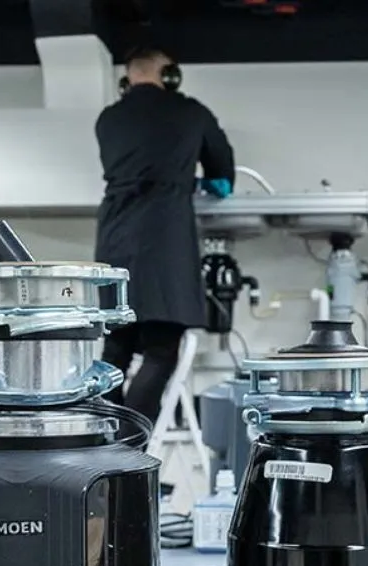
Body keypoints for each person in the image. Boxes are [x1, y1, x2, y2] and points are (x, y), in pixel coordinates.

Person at [94, 46, 235, 426]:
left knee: (116, 347)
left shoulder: (108, 119)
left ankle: (105, 437)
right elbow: (223, 177)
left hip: (114, 238)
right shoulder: (190, 112)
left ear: (128, 78)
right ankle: (132, 440)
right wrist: (201, 182)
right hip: (164, 239)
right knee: (160, 350)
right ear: (170, 75)